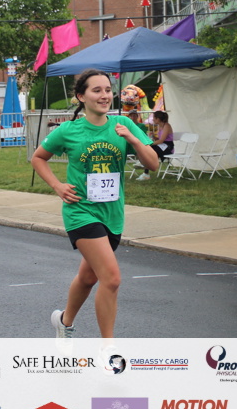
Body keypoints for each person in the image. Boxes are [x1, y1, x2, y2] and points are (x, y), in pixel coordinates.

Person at [31, 69, 158, 339]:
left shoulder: (123, 125)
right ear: (81, 96)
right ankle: (107, 348)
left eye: (108, 90)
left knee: (89, 277)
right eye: (96, 90)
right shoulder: (69, 130)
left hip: (112, 214)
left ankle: (64, 322)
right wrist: (57, 186)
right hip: (81, 212)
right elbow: (38, 158)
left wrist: (133, 140)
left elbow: (154, 164)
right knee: (111, 278)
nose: (104, 96)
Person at [136, 110, 173, 181]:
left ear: (158, 119)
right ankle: (145, 171)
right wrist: (154, 136)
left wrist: (149, 144)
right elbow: (159, 139)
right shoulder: (160, 126)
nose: (153, 119)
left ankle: (144, 167)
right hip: (162, 146)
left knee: (150, 149)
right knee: (149, 150)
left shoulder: (166, 126)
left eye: (154, 118)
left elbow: (161, 140)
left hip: (168, 147)